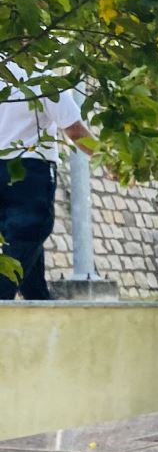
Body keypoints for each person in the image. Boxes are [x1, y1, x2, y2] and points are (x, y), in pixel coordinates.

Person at [0, 62, 95, 300]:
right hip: (29, 171)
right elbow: (74, 130)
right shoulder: (43, 79)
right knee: (27, 235)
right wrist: (110, 160)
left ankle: (40, 302)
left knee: (26, 246)